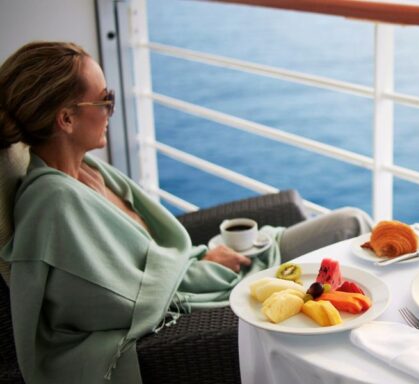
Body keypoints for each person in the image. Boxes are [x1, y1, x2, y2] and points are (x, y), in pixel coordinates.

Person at [0, 41, 372, 384]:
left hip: (208, 265)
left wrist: (202, 257)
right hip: (199, 291)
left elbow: (145, 255)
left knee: (350, 223)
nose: (112, 110)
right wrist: (199, 268)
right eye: (104, 100)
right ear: (65, 119)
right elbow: (108, 302)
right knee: (350, 236)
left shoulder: (90, 171)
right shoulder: (51, 204)